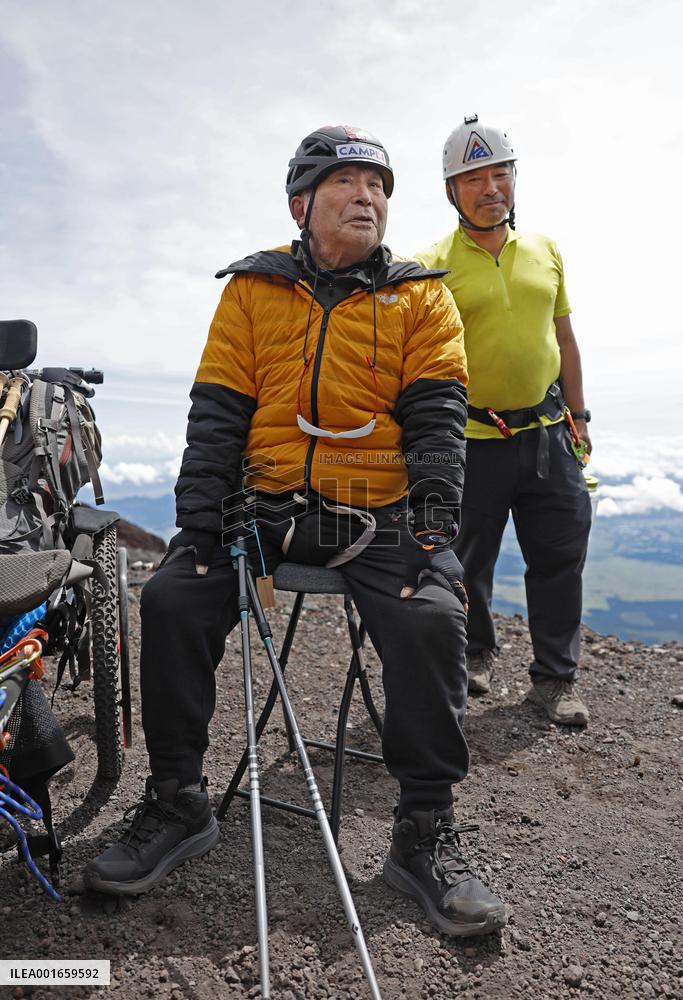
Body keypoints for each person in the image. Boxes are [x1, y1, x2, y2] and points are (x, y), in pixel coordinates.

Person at [84, 126, 508, 938]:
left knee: (431, 615)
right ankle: (177, 802)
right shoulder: (251, 291)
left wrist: (429, 538)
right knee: (175, 596)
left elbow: (436, 428)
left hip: (378, 514)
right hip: (266, 508)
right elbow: (218, 418)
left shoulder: (423, 295)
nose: (367, 197)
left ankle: (423, 830)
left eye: (378, 185)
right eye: (345, 181)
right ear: (299, 204)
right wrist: (200, 530)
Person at [416, 115, 592, 727]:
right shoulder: (430, 264)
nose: (490, 188)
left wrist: (580, 414)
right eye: (473, 178)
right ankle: (475, 655)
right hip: (468, 437)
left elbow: (563, 338)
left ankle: (554, 681)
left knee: (559, 555)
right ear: (451, 192)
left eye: (500, 174)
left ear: (515, 180)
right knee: (467, 559)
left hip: (548, 433)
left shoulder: (546, 249)